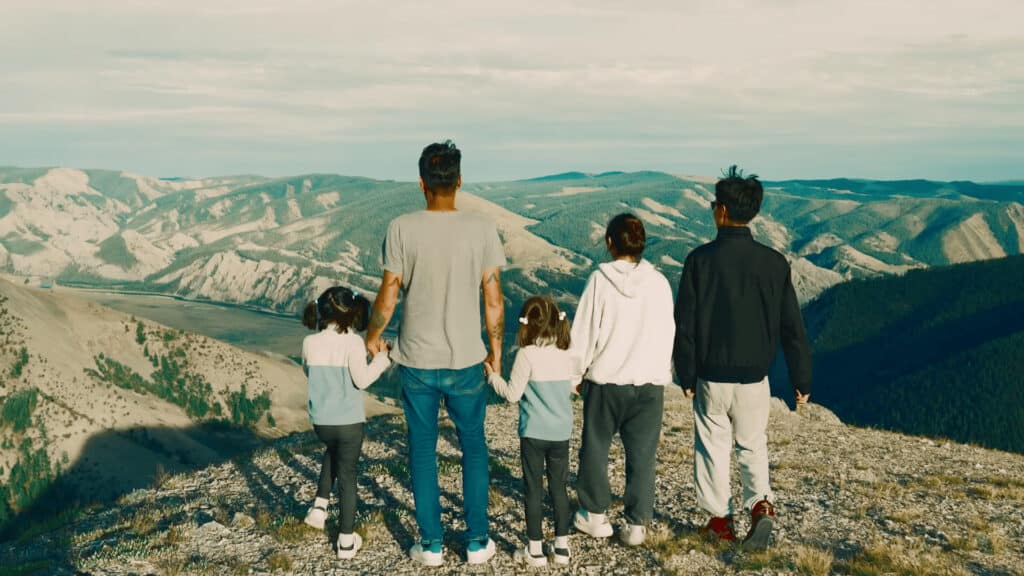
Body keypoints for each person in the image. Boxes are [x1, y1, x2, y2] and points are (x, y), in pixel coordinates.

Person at [365, 140, 505, 566]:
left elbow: (389, 294)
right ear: (459, 181)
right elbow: (493, 297)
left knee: (422, 450)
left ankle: (431, 545)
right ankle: (478, 542)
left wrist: (373, 334)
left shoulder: (402, 228)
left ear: (422, 183)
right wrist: (496, 351)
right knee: (474, 448)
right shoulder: (481, 228)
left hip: (416, 360)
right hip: (466, 358)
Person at [672, 166, 812, 551]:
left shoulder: (699, 261)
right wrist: (802, 380)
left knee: (712, 447)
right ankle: (760, 505)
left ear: (721, 211)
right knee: (752, 444)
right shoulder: (774, 263)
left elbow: (684, 324)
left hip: (712, 375)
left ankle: (719, 522)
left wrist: (685, 374)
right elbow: (791, 328)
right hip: (755, 377)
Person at [570, 213, 675, 547]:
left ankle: (594, 514)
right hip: (648, 382)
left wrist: (576, 372)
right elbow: (667, 331)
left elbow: (584, 331)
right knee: (643, 453)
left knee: (597, 447)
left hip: (607, 380)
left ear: (610, 243)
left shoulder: (599, 281)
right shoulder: (659, 283)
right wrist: (662, 371)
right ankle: (637, 524)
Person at [300, 286, 391, 560]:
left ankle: (319, 507)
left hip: (322, 422)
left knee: (333, 451)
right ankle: (346, 542)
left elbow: (308, 372)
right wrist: (383, 358)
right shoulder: (353, 343)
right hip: (349, 422)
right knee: (348, 477)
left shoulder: (309, 343)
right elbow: (362, 380)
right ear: (352, 313)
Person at [486, 296, 575, 567]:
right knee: (559, 488)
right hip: (561, 432)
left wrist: (492, 377)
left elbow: (512, 395)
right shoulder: (565, 354)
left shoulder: (526, 355)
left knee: (533, 489)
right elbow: (572, 386)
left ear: (526, 325)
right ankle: (561, 547)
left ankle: (535, 549)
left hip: (534, 433)